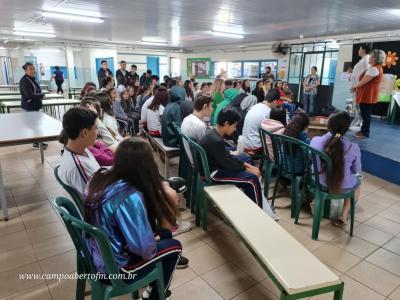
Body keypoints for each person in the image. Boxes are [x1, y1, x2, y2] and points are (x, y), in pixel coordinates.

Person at [85, 138, 182, 300]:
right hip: (115, 271)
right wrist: (164, 227)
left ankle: (154, 288)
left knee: (157, 238)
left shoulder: (99, 176)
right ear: (147, 165)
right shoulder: (130, 197)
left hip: (92, 255)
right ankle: (157, 295)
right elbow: (145, 251)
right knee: (173, 247)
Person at [199, 108, 278, 220]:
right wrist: (246, 168)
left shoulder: (213, 134)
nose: (235, 129)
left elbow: (227, 156)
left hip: (216, 166)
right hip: (214, 173)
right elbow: (227, 163)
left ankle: (254, 203)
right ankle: (260, 215)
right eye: (234, 126)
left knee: (246, 160)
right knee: (252, 180)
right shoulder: (216, 140)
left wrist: (247, 166)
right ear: (226, 123)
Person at [310, 111, 361, 227]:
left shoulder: (315, 140)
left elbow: (310, 158)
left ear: (328, 125)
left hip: (318, 183)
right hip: (343, 186)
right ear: (347, 129)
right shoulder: (353, 147)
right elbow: (356, 170)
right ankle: (343, 214)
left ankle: (317, 202)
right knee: (357, 184)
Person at [58, 107, 100, 196]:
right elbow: (97, 198)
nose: (98, 132)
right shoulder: (78, 166)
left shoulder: (81, 149)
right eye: (96, 128)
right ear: (84, 132)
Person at [354, 49, 385, 139]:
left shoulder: (375, 68)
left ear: (375, 58)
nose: (369, 58)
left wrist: (354, 86)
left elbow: (363, 82)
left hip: (368, 95)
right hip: (368, 94)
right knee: (365, 114)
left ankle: (365, 132)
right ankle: (363, 130)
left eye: (371, 57)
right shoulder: (376, 67)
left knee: (365, 114)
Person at [242, 89, 280, 154]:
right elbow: (273, 133)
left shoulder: (255, 106)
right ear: (275, 101)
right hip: (255, 147)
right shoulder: (268, 112)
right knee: (279, 144)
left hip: (244, 143)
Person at [19, 62, 46, 150]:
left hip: (35, 105)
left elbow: (36, 91)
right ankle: (36, 143)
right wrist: (41, 95)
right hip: (29, 106)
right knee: (33, 126)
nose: (33, 70)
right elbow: (29, 95)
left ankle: (38, 142)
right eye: (30, 69)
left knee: (36, 125)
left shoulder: (32, 79)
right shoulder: (24, 81)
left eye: (33, 68)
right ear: (25, 70)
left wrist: (39, 94)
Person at [350, 44, 371, 128]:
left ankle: (359, 124)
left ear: (363, 50)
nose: (358, 51)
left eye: (359, 49)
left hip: (358, 88)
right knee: (355, 106)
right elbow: (357, 74)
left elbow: (363, 76)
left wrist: (355, 86)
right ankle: (357, 122)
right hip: (356, 86)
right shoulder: (362, 60)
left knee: (358, 107)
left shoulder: (366, 61)